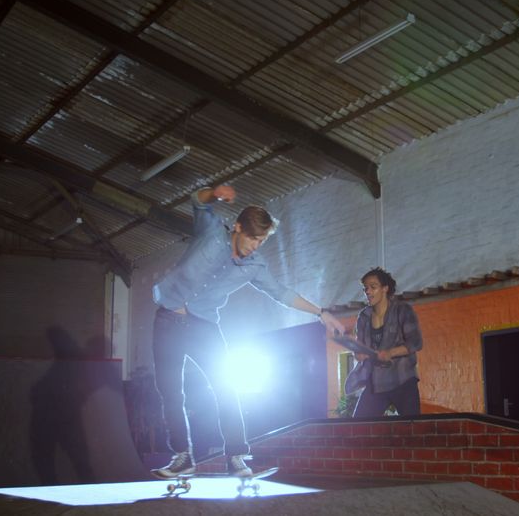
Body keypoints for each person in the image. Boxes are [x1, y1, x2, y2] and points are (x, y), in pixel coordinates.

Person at [151, 184, 344, 478]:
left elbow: (281, 292)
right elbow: (197, 201)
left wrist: (320, 312)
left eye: (261, 240)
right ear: (238, 228)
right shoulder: (211, 232)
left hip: (204, 325)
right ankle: (182, 457)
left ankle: (236, 458)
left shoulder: (255, 265)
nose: (255, 245)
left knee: (226, 387)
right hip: (167, 319)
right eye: (253, 238)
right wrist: (214, 192)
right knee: (170, 392)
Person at [349, 267, 424, 417]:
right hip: (376, 381)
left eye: (373, 287)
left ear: (385, 288)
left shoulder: (402, 310)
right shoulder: (363, 317)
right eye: (365, 288)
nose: (368, 292)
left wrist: (390, 352)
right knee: (358, 425)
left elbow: (415, 343)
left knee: (412, 429)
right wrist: (358, 352)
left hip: (402, 379)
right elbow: (361, 346)